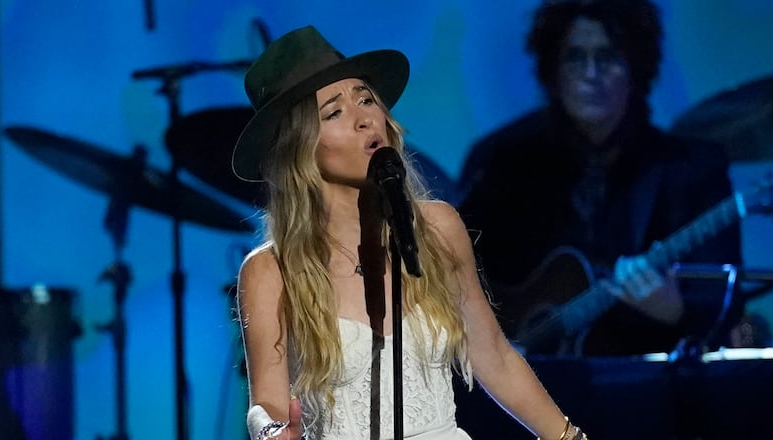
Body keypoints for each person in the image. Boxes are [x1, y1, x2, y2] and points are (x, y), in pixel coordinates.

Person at [231, 25, 587, 440]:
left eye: (365, 99)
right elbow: (267, 404)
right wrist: (272, 430)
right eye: (335, 112)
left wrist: (569, 437)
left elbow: (495, 358)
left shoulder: (437, 228)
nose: (365, 118)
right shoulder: (270, 271)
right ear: (299, 148)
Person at [458, 0, 743, 358]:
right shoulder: (504, 162)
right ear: (553, 72)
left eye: (608, 57)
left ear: (636, 69)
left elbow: (724, 301)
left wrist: (678, 311)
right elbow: (454, 275)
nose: (591, 73)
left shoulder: (691, 168)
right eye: (575, 57)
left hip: (645, 385)